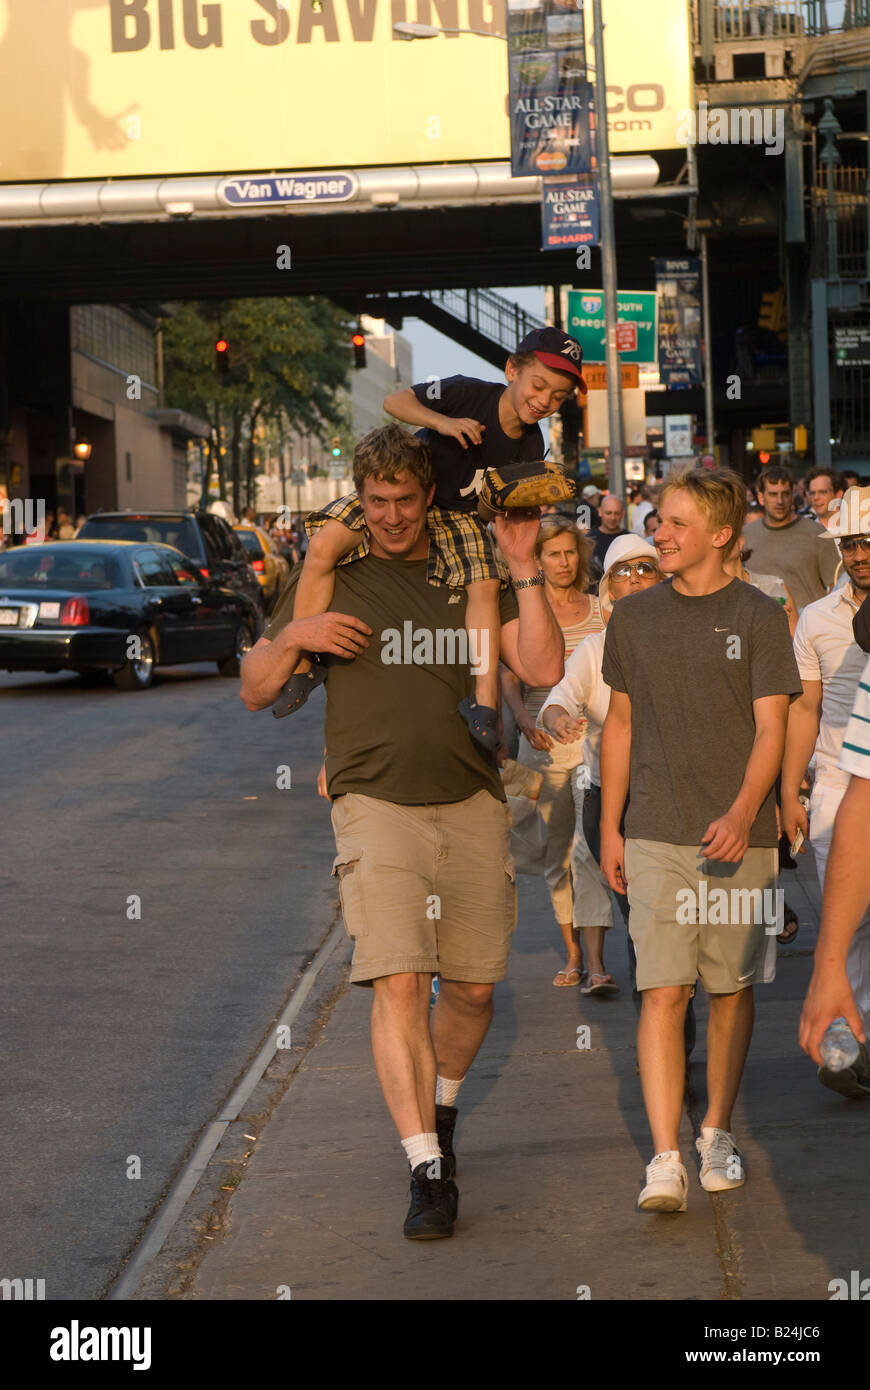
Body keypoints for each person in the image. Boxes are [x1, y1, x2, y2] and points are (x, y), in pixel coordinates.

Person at [239, 425, 563, 1240]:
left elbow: (546, 668)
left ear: (428, 495)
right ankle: (425, 1166)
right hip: (372, 801)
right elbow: (253, 690)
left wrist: (523, 562)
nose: (390, 518)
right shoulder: (333, 571)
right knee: (397, 979)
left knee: (473, 988)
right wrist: (295, 638)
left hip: (470, 797)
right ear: (361, 499)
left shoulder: (469, 563)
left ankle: (442, 1110)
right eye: (375, 503)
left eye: (405, 501)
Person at [599, 465, 802, 1214]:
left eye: (677, 523)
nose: (661, 532)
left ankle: (715, 1129)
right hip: (654, 830)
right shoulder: (634, 618)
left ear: (721, 534)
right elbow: (618, 727)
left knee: (729, 990)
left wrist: (747, 809)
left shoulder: (759, 615)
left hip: (738, 839)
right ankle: (663, 1156)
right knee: (661, 990)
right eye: (659, 520)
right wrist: (611, 828)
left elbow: (773, 727)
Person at [275, 329, 586, 750]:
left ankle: (484, 703)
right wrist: (443, 421)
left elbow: (493, 503)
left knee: (485, 585)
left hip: (457, 520)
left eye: (558, 395)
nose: (545, 400)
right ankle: (301, 664)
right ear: (513, 369)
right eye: (539, 385)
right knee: (324, 544)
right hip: (404, 497)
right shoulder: (468, 393)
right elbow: (394, 402)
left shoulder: (532, 443)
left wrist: (518, 507)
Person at [539, 535, 663, 998]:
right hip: (609, 799)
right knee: (640, 913)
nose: (635, 580)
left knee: (663, 916)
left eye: (646, 569)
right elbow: (559, 699)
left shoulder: (685, 639)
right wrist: (560, 719)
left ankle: (667, 1011)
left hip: (673, 796)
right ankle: (658, 1023)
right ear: (608, 586)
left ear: (663, 577)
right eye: (623, 572)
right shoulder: (595, 649)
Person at [783, 487, 870, 1097]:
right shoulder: (815, 617)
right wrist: (791, 789)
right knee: (850, 924)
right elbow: (805, 706)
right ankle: (854, 1046)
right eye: (850, 544)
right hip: (839, 778)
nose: (860, 553)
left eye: (867, 542)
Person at [499, 518, 608, 989]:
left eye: (569, 553)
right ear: (535, 560)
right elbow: (507, 674)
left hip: (599, 745)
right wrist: (524, 720)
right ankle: (572, 954)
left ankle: (599, 964)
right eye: (553, 554)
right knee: (559, 852)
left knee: (591, 852)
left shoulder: (602, 608)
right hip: (544, 748)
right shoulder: (525, 609)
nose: (563, 562)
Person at [799, 650, 870, 1085]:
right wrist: (828, 969)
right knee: (858, 931)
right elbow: (863, 807)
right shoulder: (818, 620)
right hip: (831, 783)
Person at [743, 464, 838, 610]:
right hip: (760, 626)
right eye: (773, 494)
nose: (780, 501)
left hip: (806, 626)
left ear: (792, 495)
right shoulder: (745, 536)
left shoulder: (816, 533)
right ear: (761, 497)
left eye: (785, 493)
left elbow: (836, 586)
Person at [723, 533, 799, 637]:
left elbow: (796, 643)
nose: (722, 540)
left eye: (727, 535)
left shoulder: (774, 586)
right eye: (715, 535)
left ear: (740, 541)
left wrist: (780, 625)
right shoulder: (704, 592)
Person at [586, 494, 628, 569]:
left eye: (617, 513)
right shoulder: (588, 540)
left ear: (623, 513)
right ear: (600, 512)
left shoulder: (631, 539)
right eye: (608, 513)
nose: (612, 518)